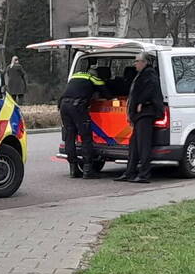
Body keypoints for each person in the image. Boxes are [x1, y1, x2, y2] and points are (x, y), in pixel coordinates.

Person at [115, 51, 164, 184]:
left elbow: (150, 89)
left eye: (137, 61)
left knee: (143, 145)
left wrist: (141, 102)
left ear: (144, 62)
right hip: (139, 115)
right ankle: (129, 172)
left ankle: (144, 174)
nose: (135, 63)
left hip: (145, 114)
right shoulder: (141, 74)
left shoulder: (149, 74)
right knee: (134, 145)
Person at [59, 59, 109, 179]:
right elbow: (107, 94)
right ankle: (87, 169)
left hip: (63, 105)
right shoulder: (93, 78)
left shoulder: (75, 75)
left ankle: (73, 169)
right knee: (86, 137)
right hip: (77, 107)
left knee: (70, 137)